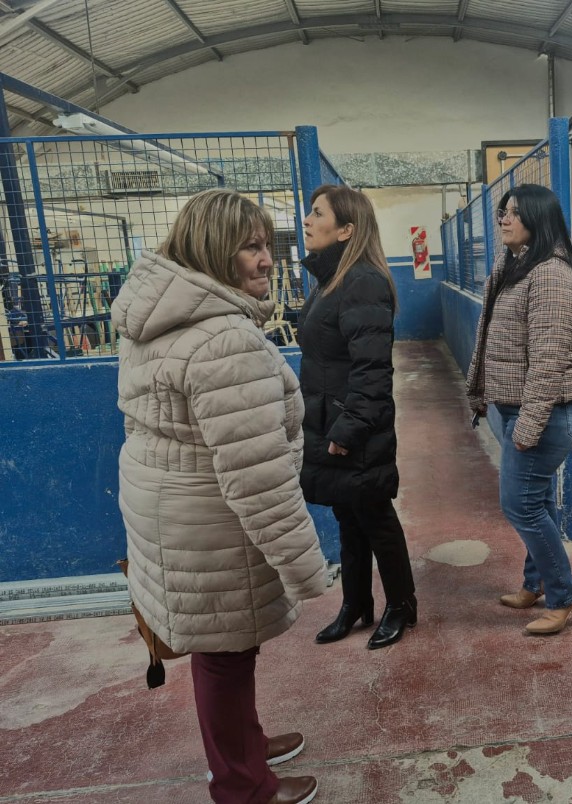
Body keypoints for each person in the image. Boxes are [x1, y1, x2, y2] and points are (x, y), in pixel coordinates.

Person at [111, 189, 326, 804]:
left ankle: (246, 745)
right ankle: (244, 786)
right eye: (251, 247)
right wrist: (306, 568)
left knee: (225, 643)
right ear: (213, 252)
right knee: (224, 654)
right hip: (211, 522)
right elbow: (258, 477)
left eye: (268, 245)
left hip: (173, 511)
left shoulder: (156, 319)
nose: (267, 260)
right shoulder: (222, 340)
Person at [297, 184, 417, 650]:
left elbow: (372, 370)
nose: (307, 219)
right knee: (348, 517)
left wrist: (346, 431)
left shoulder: (362, 280)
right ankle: (356, 604)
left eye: (318, 213)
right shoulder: (331, 281)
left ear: (346, 229)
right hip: (330, 421)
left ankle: (401, 605)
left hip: (354, 427)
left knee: (376, 519)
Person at [466, 183, 572, 636]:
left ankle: (565, 594)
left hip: (544, 413)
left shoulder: (552, 275)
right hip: (515, 408)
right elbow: (490, 339)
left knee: (519, 505)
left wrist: (528, 426)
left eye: (515, 212)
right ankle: (536, 584)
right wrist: (483, 394)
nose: (504, 218)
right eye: (504, 211)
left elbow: (548, 361)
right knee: (539, 502)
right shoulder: (516, 266)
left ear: (538, 219)